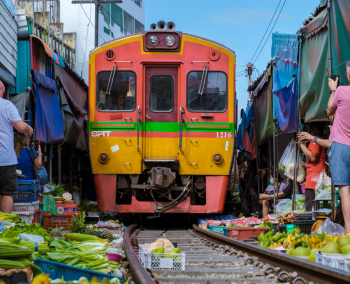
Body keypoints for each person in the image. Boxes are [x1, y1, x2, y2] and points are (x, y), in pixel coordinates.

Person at [0, 80, 33, 213]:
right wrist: (28, 129)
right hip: (5, 158)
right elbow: (20, 127)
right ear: (2, 91)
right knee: (6, 193)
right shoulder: (7, 105)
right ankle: (5, 227)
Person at [327, 61, 350, 232]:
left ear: (348, 74)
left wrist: (334, 89)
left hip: (342, 146)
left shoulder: (342, 91)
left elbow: (329, 110)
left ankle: (349, 232)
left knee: (345, 191)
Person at [297, 122, 328, 211]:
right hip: (319, 176)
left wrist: (301, 144)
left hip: (313, 180)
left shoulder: (316, 141)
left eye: (310, 130)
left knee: (310, 209)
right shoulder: (323, 139)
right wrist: (307, 165)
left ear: (315, 130)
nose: (309, 132)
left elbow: (312, 157)